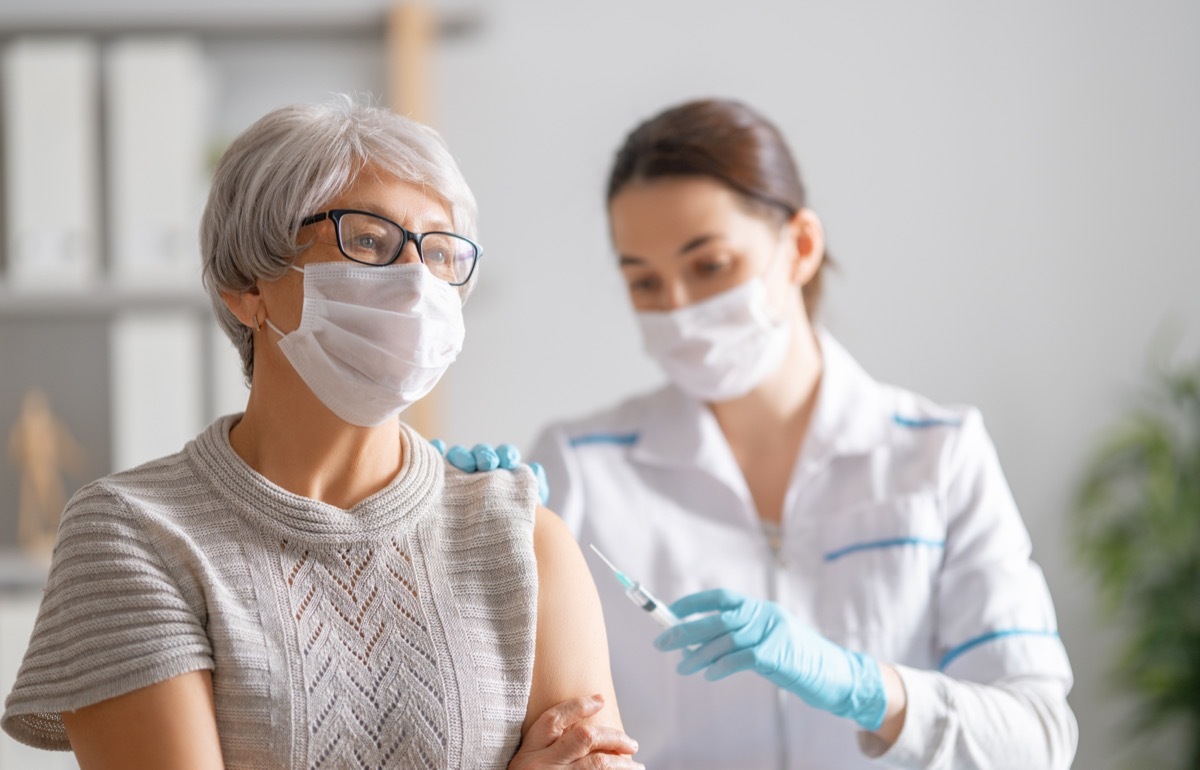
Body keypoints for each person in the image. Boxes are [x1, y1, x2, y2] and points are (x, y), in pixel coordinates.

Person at [1, 98, 642, 770]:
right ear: (245, 285)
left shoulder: (519, 537)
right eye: (368, 240)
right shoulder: (137, 534)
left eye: (442, 252)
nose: (416, 282)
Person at [453, 98, 1078, 769]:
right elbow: (498, 722)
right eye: (644, 282)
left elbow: (1039, 739)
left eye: (710, 265)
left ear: (801, 246)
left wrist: (866, 688)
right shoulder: (580, 470)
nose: (679, 310)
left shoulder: (938, 455)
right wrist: (447, 529)